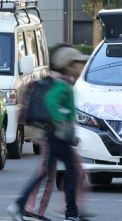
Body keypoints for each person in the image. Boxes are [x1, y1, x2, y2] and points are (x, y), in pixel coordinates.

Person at [7, 45, 89, 221]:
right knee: (71, 171)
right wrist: (61, 123)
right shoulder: (64, 85)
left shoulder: (61, 82)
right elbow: (52, 102)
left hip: (54, 134)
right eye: (77, 63)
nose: (80, 66)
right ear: (68, 65)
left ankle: (20, 206)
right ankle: (69, 213)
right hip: (58, 135)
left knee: (49, 172)